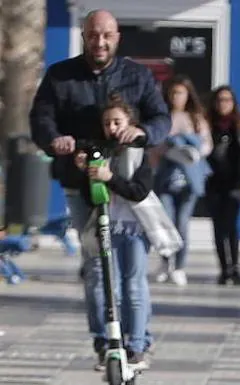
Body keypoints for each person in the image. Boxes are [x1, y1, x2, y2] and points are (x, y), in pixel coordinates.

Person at [29, 9, 170, 369]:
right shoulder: (60, 76)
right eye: (93, 35)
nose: (100, 42)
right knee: (94, 266)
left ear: (117, 37)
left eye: (106, 35)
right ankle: (103, 340)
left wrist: (143, 134)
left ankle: (138, 342)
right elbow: (41, 119)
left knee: (132, 269)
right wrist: (55, 140)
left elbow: (160, 118)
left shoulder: (136, 75)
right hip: (82, 186)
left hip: (127, 186)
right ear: (84, 36)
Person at [75, 94, 155, 370]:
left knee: (133, 285)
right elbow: (90, 197)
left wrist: (111, 178)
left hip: (133, 227)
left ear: (130, 123)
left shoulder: (141, 152)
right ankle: (105, 342)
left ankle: (137, 345)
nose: (112, 128)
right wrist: (87, 173)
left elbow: (139, 192)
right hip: (104, 225)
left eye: (117, 121)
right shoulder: (100, 150)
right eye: (107, 123)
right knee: (101, 285)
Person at [153, 74, 213, 286]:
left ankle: (179, 265)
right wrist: (169, 150)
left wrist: (192, 151)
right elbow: (154, 144)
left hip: (190, 178)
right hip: (166, 177)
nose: (176, 97)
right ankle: (165, 262)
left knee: (182, 223)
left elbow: (207, 145)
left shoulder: (196, 119)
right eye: (173, 93)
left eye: (180, 93)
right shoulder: (162, 117)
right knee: (165, 221)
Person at [205, 85, 240, 285]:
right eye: (219, 100)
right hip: (213, 182)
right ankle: (224, 267)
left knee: (232, 226)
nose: (223, 104)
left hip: (234, 182)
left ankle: (235, 267)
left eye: (227, 100)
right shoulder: (207, 125)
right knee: (218, 227)